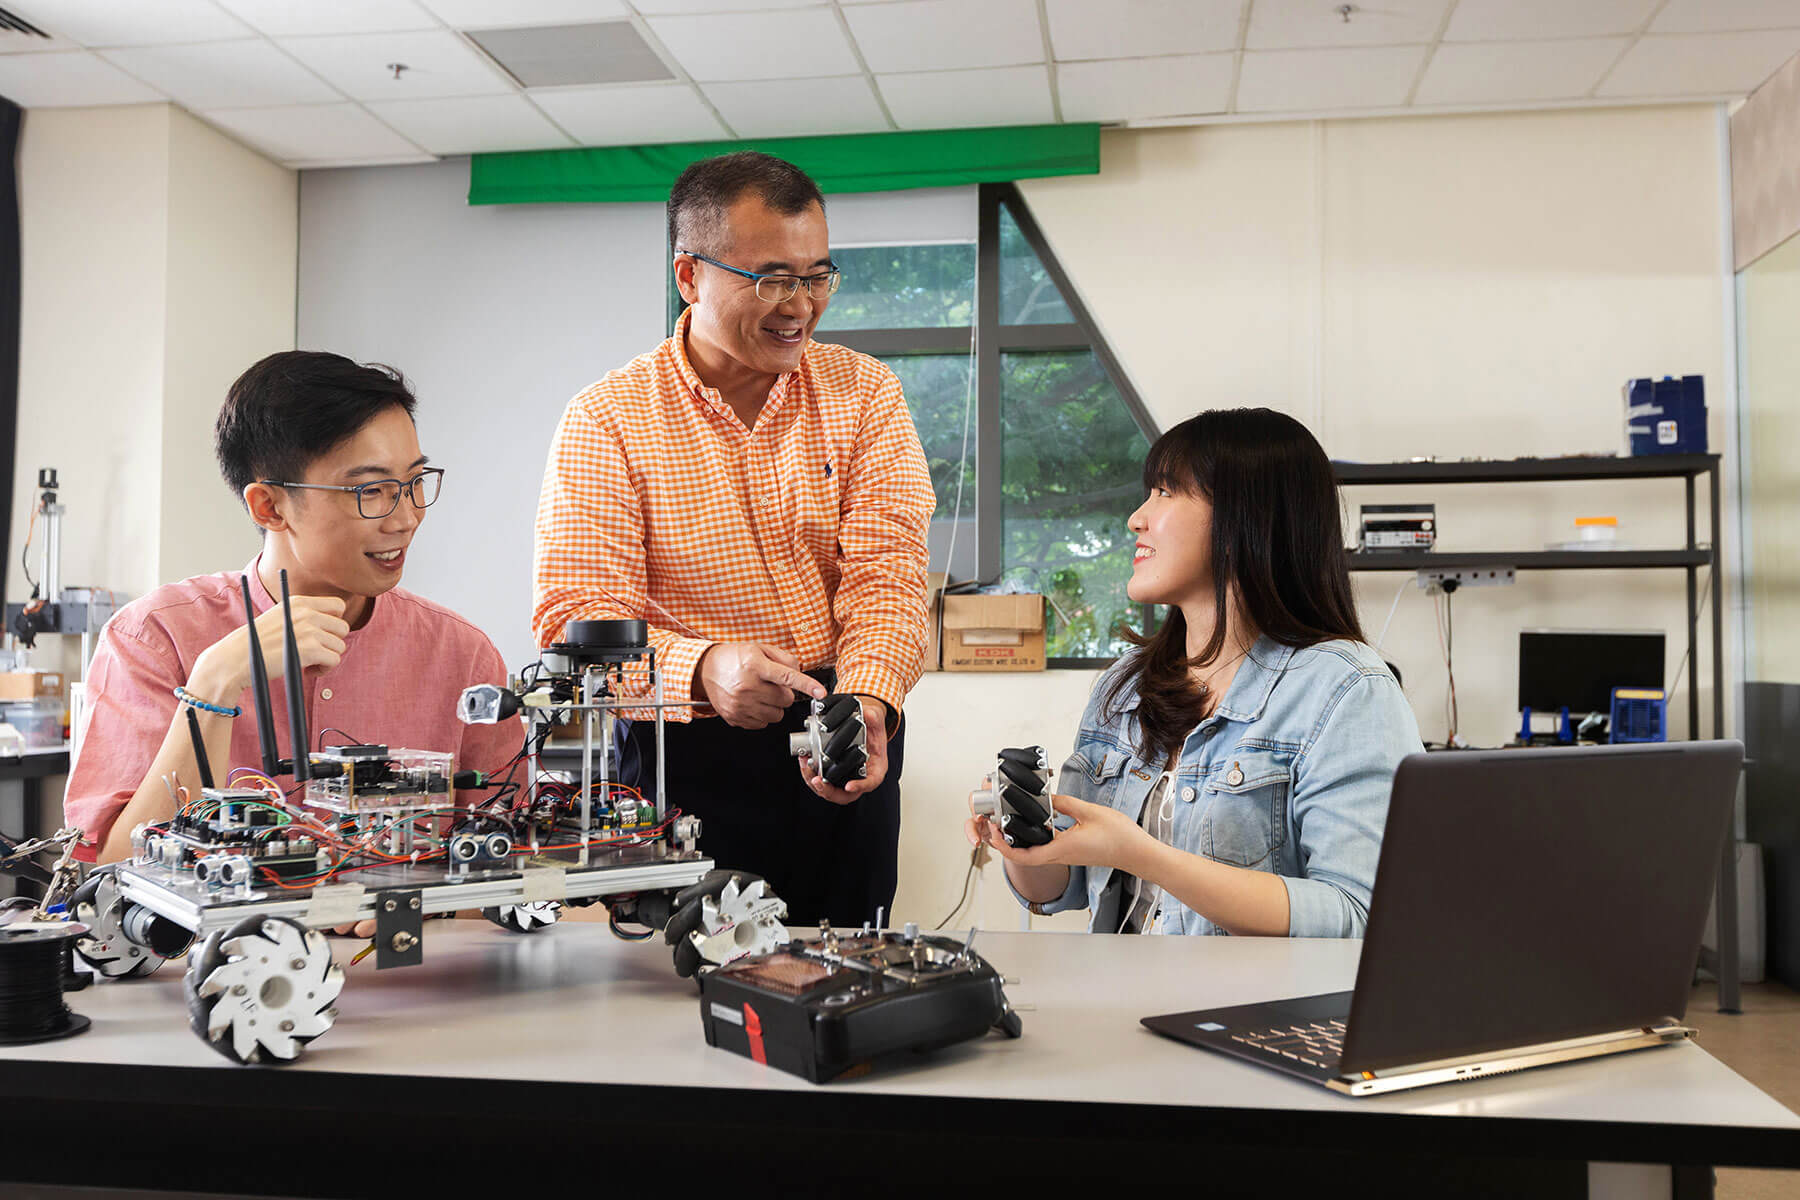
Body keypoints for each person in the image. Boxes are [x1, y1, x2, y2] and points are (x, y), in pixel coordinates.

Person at [533, 152, 935, 926]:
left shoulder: (864, 394)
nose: (801, 305)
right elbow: (574, 622)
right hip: (684, 749)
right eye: (773, 278)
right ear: (689, 274)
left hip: (845, 727)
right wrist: (705, 667)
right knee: (678, 984)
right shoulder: (607, 420)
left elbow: (888, 575)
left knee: (848, 963)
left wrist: (870, 701)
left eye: (818, 276)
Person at [65, 352, 522, 879]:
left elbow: (516, 871)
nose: (406, 517)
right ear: (269, 507)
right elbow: (114, 875)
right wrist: (215, 683)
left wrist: (420, 911)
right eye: (371, 490)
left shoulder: (462, 656)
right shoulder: (155, 637)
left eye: (415, 483)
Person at [968, 408, 1423, 937]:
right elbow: (1059, 889)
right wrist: (1021, 840)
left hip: (1248, 1016)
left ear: (1243, 518)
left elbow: (1357, 916)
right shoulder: (1125, 686)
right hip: (1123, 1002)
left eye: (1165, 492)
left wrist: (1143, 856)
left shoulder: (1346, 689)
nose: (1137, 517)